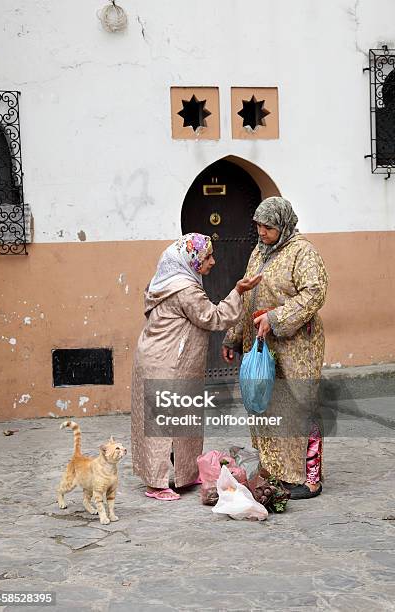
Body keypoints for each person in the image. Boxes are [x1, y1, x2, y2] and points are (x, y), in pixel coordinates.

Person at [131, 232, 260, 501]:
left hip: (166, 359)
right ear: (191, 260)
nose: (212, 261)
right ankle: (156, 484)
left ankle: (186, 474)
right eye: (206, 257)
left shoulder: (167, 281)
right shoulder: (185, 289)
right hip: (166, 363)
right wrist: (237, 292)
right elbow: (213, 317)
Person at [222, 197, 328, 499]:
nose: (261, 231)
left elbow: (315, 293)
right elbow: (249, 296)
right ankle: (276, 471)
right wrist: (234, 335)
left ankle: (308, 478)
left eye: (267, 226)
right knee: (264, 406)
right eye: (257, 225)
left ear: (282, 225)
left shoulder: (303, 252)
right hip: (260, 343)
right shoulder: (259, 251)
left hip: (296, 346)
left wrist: (276, 317)